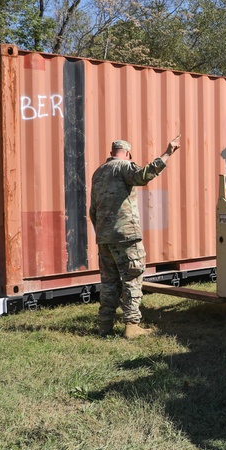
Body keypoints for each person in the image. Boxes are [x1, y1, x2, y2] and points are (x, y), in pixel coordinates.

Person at [90, 136, 180, 338]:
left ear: (111, 152)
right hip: (126, 235)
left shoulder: (98, 173)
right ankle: (131, 325)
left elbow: (93, 210)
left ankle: (104, 326)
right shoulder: (124, 166)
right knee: (132, 276)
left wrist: (102, 231)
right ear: (128, 153)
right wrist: (167, 153)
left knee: (109, 281)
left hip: (104, 237)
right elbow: (143, 176)